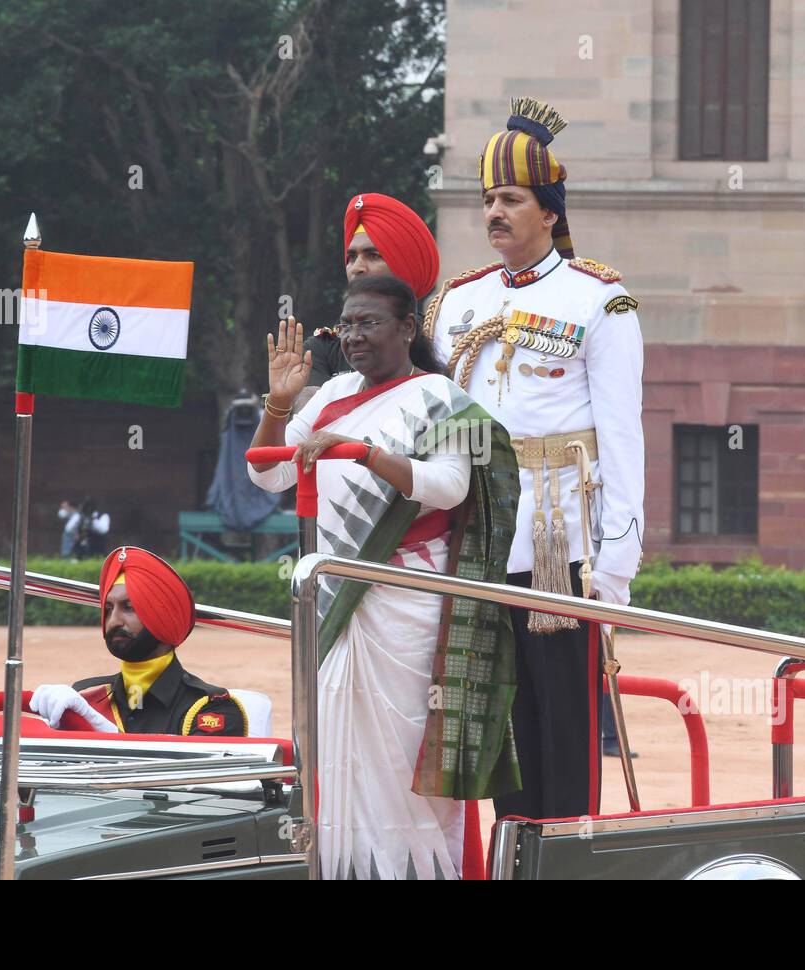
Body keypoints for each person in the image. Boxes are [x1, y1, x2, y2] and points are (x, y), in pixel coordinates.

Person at [248, 274, 521, 880]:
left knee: (404, 766)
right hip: (335, 606)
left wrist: (365, 451)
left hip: (412, 605)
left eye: (368, 323)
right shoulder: (329, 395)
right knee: (339, 759)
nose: (352, 336)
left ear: (408, 328)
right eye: (345, 325)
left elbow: (450, 486)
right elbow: (268, 476)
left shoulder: (446, 398)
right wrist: (278, 403)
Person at [425, 97, 646, 821]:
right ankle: (515, 851)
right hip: (481, 544)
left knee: (564, 728)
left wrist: (614, 564)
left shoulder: (598, 301)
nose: (495, 211)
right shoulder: (459, 303)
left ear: (549, 210)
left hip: (562, 550)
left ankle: (570, 856)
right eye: (488, 198)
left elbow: (622, 437)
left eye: (512, 199)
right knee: (498, 732)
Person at [0, 546, 269, 736]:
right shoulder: (83, 695)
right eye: (107, 608)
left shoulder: (213, 709)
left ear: (164, 615)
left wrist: (97, 729)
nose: (114, 620)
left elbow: (193, 799)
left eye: (129, 607)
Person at [297, 193, 441, 410]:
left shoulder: (440, 338)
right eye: (352, 257)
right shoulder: (321, 348)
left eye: (373, 255)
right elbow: (311, 424)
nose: (357, 267)